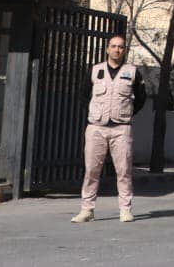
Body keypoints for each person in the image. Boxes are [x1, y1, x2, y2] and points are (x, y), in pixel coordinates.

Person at [71, 34, 146, 223]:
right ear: (107, 49)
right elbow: (83, 95)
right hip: (96, 127)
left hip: (121, 129)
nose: (117, 50)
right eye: (113, 46)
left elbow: (141, 98)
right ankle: (87, 210)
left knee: (124, 171)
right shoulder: (95, 70)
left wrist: (127, 113)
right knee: (91, 170)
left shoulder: (132, 72)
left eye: (120, 47)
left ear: (124, 50)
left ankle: (125, 210)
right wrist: (94, 113)